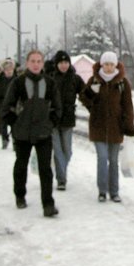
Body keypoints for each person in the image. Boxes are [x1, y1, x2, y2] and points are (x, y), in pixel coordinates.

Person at [1, 50, 62, 217]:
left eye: (39, 61)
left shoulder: (49, 83)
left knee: (46, 170)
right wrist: (15, 124)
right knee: (21, 165)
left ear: (43, 63)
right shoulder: (18, 83)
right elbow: (7, 108)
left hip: (43, 133)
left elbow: (57, 108)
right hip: (22, 134)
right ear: (27, 63)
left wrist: (50, 124)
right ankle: (20, 195)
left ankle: (48, 204)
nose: (36, 64)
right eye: (33, 61)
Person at [79, 51, 134, 203]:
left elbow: (128, 105)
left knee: (113, 159)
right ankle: (102, 191)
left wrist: (129, 125)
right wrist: (91, 93)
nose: (109, 67)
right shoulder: (94, 80)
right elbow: (83, 98)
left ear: (115, 65)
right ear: (101, 64)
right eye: (106, 64)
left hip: (116, 127)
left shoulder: (122, 83)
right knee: (102, 158)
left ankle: (114, 191)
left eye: (111, 64)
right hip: (98, 126)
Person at [49, 50, 85, 191]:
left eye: (66, 62)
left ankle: (60, 170)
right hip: (53, 119)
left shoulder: (75, 79)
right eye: (61, 63)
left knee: (67, 151)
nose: (64, 65)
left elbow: (85, 93)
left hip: (68, 120)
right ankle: (61, 180)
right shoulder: (50, 78)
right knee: (58, 151)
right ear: (56, 64)